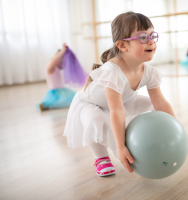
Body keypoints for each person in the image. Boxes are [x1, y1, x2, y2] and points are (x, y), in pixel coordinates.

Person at [63, 12, 175, 177]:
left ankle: (150, 142)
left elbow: (160, 103)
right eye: (143, 37)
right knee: (96, 121)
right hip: (92, 104)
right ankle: (101, 158)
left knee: (152, 106)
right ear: (123, 45)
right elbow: (116, 110)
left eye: (152, 35)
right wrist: (121, 146)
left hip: (123, 99)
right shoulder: (112, 72)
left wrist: (174, 128)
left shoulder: (149, 72)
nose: (151, 41)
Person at [37, 44, 77, 111]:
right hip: (55, 94)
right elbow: (54, 60)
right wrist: (63, 50)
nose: (63, 64)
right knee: (67, 101)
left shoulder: (56, 68)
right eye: (62, 62)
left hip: (63, 91)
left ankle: (47, 105)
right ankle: (46, 105)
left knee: (76, 97)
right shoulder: (50, 67)